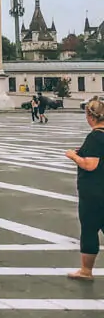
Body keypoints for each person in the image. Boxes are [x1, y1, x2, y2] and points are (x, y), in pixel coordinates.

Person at [65, 97, 104, 280]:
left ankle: (86, 270)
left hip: (95, 192)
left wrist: (73, 156)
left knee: (89, 229)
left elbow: (90, 165)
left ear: (90, 116)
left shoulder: (95, 137)